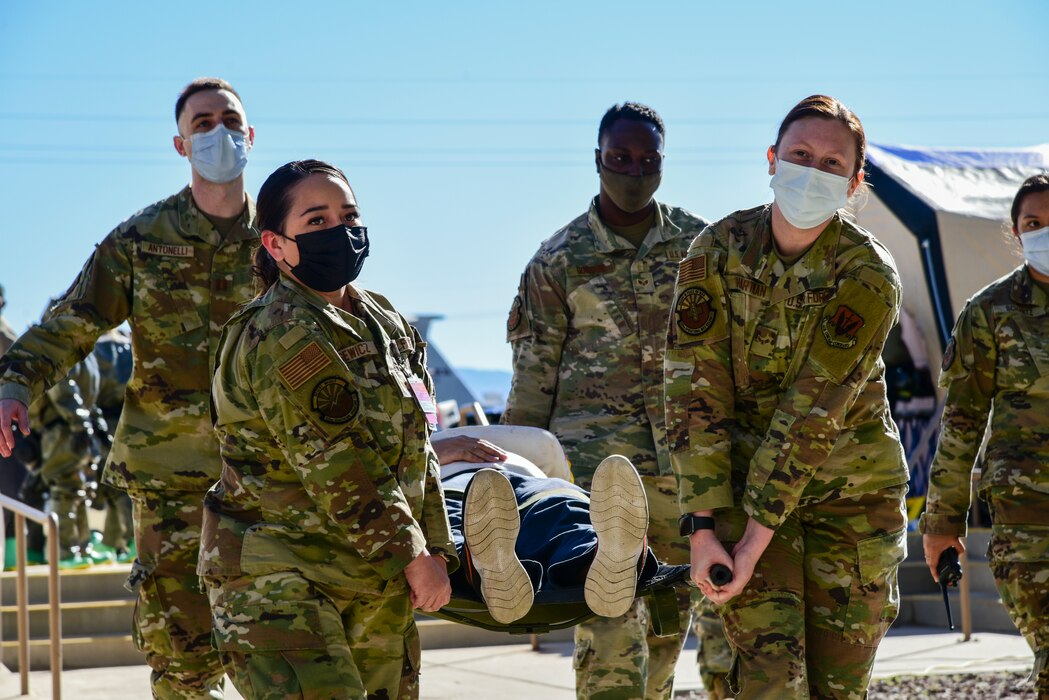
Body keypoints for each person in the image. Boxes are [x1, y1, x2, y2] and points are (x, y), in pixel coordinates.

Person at [0, 77, 257, 698]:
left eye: (228, 120)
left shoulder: (287, 238)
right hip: (170, 484)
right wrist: (14, 384)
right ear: (180, 143)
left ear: (250, 136)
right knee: (182, 660)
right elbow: (72, 321)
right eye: (202, 123)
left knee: (280, 650)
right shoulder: (142, 240)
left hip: (270, 479)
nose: (216, 132)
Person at [665, 94, 908, 699]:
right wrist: (703, 528)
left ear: (854, 184)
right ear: (772, 158)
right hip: (745, 490)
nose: (812, 170)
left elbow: (812, 409)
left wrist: (752, 539)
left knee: (836, 688)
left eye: (832, 164)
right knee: (769, 683)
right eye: (800, 154)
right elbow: (696, 391)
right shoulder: (715, 251)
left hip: (849, 501)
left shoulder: (868, 274)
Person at [199, 159, 455, 700]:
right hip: (281, 579)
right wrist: (413, 556)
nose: (339, 230)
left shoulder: (383, 322)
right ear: (276, 245)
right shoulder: (281, 330)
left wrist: (439, 548)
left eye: (349, 215)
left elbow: (417, 447)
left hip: (368, 574)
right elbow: (342, 464)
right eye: (316, 221)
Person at [502, 101, 727, 699]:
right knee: (608, 636)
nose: (633, 169)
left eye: (647, 158)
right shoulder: (559, 259)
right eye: (619, 157)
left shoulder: (701, 247)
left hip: (685, 481)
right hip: (595, 483)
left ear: (662, 161)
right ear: (597, 160)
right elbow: (532, 382)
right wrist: (519, 486)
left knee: (664, 639)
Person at [922, 173, 1049, 697]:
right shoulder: (990, 313)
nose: (1044, 232)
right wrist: (941, 521)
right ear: (1016, 234)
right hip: (1028, 521)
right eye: (1034, 223)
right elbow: (961, 427)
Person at [434, 435, 653, 624]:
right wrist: (432, 449)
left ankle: (600, 557)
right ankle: (591, 560)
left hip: (524, 479)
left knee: (454, 526)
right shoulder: (418, 439)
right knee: (567, 515)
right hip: (458, 483)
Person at [25, 353, 105, 568]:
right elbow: (62, 389)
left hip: (77, 426)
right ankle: (64, 553)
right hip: (63, 428)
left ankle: (81, 548)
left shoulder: (83, 350)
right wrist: (80, 424)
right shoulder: (61, 348)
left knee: (80, 489)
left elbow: (87, 393)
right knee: (65, 489)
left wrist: (94, 423)